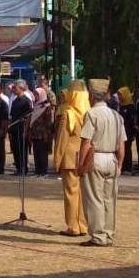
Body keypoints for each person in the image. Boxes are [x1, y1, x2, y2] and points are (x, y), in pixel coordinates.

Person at [77, 79, 126, 247]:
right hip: (111, 158)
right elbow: (121, 144)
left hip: (95, 157)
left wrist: (81, 165)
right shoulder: (116, 115)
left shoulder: (91, 114)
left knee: (94, 199)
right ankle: (108, 234)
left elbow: (86, 143)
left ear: (91, 96)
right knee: (109, 199)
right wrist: (119, 164)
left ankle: (98, 236)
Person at [54, 81, 90, 237]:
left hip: (69, 157)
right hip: (84, 156)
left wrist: (56, 160)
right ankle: (83, 225)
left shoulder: (68, 113)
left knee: (70, 193)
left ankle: (72, 226)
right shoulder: (89, 112)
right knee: (82, 193)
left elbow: (62, 139)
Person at [29, 87, 55, 177]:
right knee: (36, 153)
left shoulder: (46, 107)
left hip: (43, 135)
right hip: (35, 134)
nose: (35, 96)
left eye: (37, 94)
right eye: (35, 94)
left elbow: (48, 123)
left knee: (42, 154)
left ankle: (43, 172)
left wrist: (47, 135)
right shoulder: (36, 106)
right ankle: (38, 171)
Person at [9, 80, 32, 176]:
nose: (14, 89)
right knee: (15, 149)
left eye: (16, 88)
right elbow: (11, 115)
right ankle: (18, 167)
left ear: (21, 88)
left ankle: (23, 168)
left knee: (22, 149)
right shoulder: (15, 100)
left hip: (22, 128)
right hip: (14, 127)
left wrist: (26, 130)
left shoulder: (26, 101)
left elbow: (28, 116)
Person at [116, 87, 136, 174]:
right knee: (120, 148)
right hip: (120, 131)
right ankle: (123, 167)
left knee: (127, 149)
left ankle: (128, 167)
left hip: (128, 131)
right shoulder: (120, 105)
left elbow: (131, 120)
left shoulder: (130, 106)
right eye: (118, 95)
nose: (119, 97)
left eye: (120, 94)